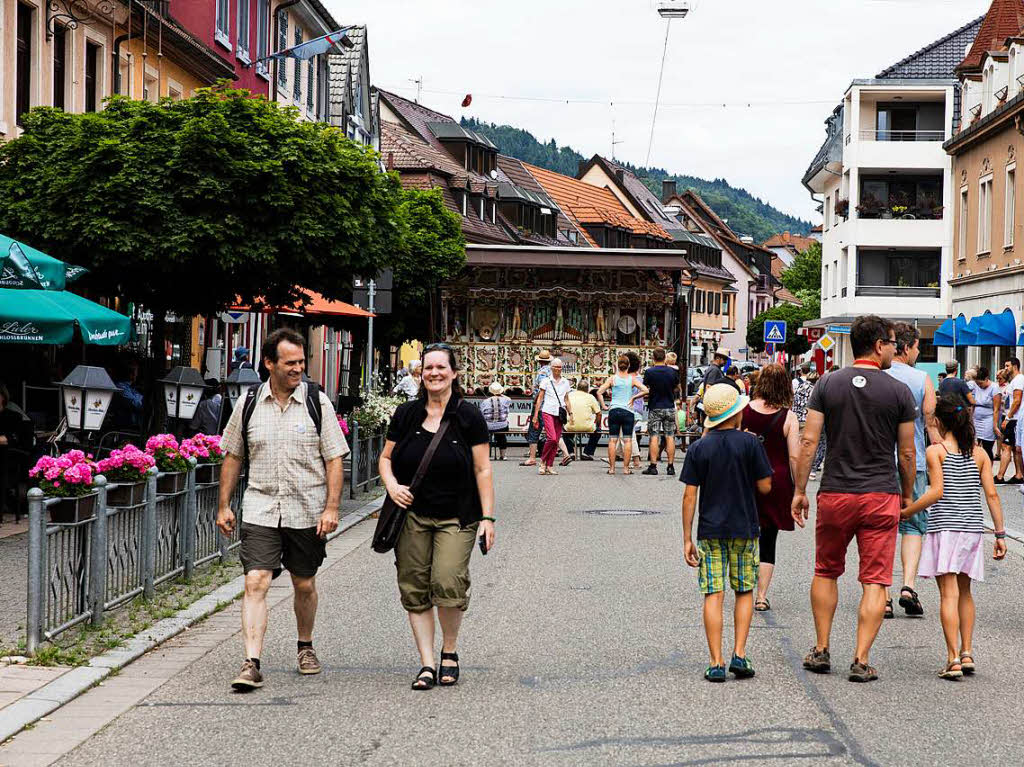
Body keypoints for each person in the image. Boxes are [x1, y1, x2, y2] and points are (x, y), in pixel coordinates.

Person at [217, 328, 349, 691]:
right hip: (260, 506)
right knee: (255, 579)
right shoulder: (247, 404)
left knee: (303, 583)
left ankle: (305, 646)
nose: (298, 369)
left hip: (306, 508)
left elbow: (335, 458)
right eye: (290, 363)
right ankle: (251, 661)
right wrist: (224, 504)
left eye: (301, 363)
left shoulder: (316, 401)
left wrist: (331, 507)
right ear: (269, 363)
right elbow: (233, 455)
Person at [792, 315, 916, 683]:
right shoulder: (899, 392)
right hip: (880, 494)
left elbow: (809, 441)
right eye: (893, 343)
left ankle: (821, 648)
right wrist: (906, 494)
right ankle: (861, 658)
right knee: (875, 580)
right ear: (879, 345)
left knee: (825, 570)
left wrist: (800, 490)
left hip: (835, 492)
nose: (895, 349)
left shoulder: (829, 383)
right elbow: (907, 454)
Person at [378, 344, 496, 690]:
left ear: (454, 373)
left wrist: (488, 517)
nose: (434, 373)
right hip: (411, 514)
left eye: (441, 367)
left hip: (457, 515)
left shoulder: (468, 416)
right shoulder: (406, 414)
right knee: (415, 586)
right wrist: (391, 486)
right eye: (428, 367)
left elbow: (483, 469)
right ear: (421, 373)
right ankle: (427, 663)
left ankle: (450, 650)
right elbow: (385, 458)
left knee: (447, 580)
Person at [899, 394, 1007, 680]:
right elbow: (992, 494)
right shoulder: (980, 453)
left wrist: (908, 511)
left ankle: (952, 658)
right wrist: (1000, 534)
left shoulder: (937, 452)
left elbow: (936, 492)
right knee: (965, 593)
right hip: (972, 530)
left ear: (938, 421)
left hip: (945, 528)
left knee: (948, 593)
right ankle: (968, 651)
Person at [681, 383, 772, 682]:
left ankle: (716, 662)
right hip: (745, 528)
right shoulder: (750, 444)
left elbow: (690, 496)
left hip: (710, 530)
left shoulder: (698, 448)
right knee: (744, 590)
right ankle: (740, 655)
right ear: (736, 414)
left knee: (713, 593)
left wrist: (687, 538)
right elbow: (765, 486)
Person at [884, 322, 939, 619]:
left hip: (879, 463)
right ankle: (907, 586)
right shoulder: (921, 379)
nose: (919, 353)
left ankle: (883, 594)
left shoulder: (877, 376)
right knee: (913, 525)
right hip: (913, 462)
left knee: (881, 527)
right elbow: (930, 423)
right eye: (918, 347)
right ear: (906, 348)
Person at [742, 364, 799, 612]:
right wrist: (799, 490)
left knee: (744, 536)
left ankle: (744, 589)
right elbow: (795, 457)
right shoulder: (789, 417)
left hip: (745, 478)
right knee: (768, 539)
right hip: (777, 480)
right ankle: (762, 596)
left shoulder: (743, 410)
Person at [597, 356, 647, 475]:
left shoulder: (612, 379)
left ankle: (612, 468)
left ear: (617, 365)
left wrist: (604, 406)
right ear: (628, 366)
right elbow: (646, 390)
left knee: (612, 440)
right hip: (628, 411)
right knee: (628, 440)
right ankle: (626, 468)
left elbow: (599, 392)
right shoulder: (632, 379)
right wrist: (634, 397)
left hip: (614, 410)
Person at [642, 348, 680, 476]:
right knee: (670, 436)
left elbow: (645, 387)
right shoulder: (672, 372)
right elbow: (676, 387)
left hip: (655, 406)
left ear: (653, 358)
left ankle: (653, 466)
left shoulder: (649, 372)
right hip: (669, 406)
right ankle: (670, 466)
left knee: (654, 436)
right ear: (664, 358)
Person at [532, 357, 573, 476]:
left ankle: (549, 465)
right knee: (552, 438)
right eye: (555, 367)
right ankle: (543, 462)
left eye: (559, 367)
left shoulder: (565, 382)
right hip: (548, 411)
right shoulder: (545, 381)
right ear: (551, 367)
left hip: (559, 413)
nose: (557, 369)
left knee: (555, 441)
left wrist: (571, 413)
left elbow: (566, 399)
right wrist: (535, 415)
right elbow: (540, 398)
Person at [478, 381, 511, 461]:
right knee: (502, 436)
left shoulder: (485, 402)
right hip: (502, 426)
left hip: (488, 426)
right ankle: (503, 455)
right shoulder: (506, 400)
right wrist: (500, 394)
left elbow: (481, 414)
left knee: (484, 435)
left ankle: (484, 455)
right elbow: (509, 399)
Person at [970, 367, 997, 460]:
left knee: (987, 447)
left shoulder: (994, 387)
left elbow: (996, 409)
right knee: (975, 446)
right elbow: (972, 404)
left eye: (981, 383)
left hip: (988, 419)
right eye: (977, 384)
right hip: (976, 418)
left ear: (986, 379)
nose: (979, 386)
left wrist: (995, 425)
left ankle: (988, 469)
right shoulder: (975, 386)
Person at [1004, 357, 1024, 483]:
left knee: (1015, 447)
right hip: (1014, 417)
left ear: (1015, 366)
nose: (1005, 368)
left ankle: (1019, 475)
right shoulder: (1014, 380)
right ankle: (1019, 474)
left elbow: (1017, 400)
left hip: (1016, 418)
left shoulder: (1019, 379)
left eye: (1007, 366)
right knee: (1015, 448)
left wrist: (1008, 417)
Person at [993, 369, 1012, 482]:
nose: (998, 380)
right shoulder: (996, 386)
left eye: (1000, 378)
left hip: (1006, 415)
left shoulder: (1008, 387)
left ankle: (1000, 476)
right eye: (997, 378)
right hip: (1001, 413)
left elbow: (1008, 401)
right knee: (1002, 437)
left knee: (1007, 444)